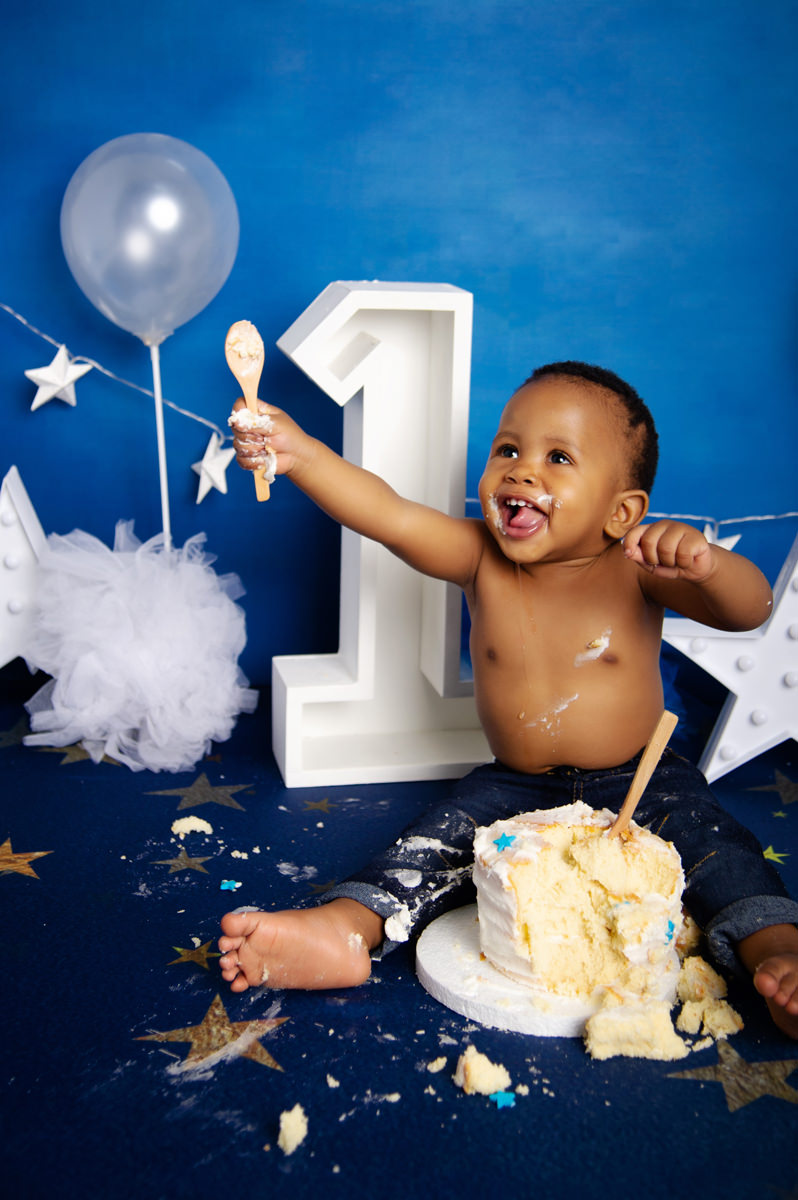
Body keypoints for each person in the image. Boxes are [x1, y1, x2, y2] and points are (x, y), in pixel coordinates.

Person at [218, 361, 798, 1038]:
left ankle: (777, 950)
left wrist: (707, 565)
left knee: (718, 848)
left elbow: (749, 610)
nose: (522, 471)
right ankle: (345, 929)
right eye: (508, 450)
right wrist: (304, 454)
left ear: (623, 512)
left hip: (642, 781)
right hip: (515, 787)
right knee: (429, 844)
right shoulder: (477, 556)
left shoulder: (640, 567)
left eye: (558, 457)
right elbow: (389, 515)